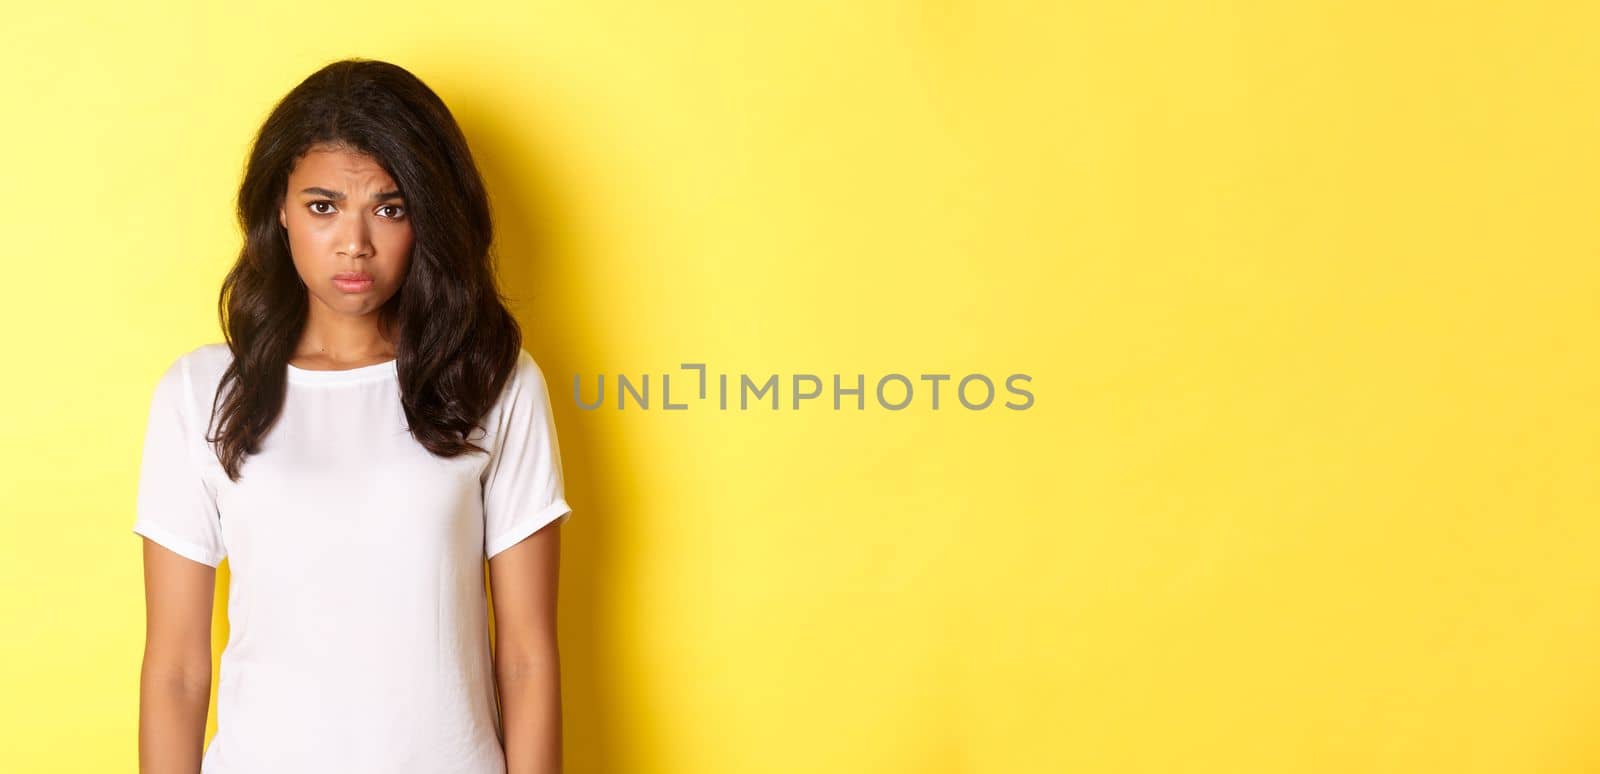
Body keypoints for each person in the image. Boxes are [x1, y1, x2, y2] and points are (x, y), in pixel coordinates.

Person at [132, 58, 572, 773]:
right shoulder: (201, 392)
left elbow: (525, 658)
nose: (354, 242)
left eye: (390, 208)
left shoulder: (491, 382)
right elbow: (177, 668)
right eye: (323, 205)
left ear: (426, 216)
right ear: (279, 208)